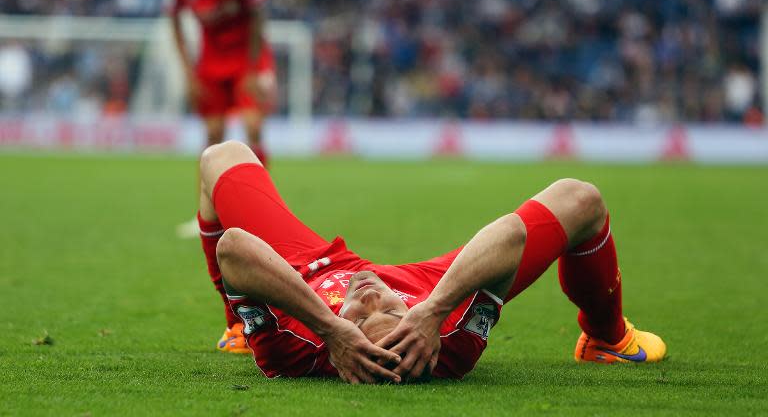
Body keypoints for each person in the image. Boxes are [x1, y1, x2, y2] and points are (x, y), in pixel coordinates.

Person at [198, 141, 667, 382]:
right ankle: (609, 339)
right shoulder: (451, 338)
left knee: (221, 157)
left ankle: (240, 323)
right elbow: (510, 233)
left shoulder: (295, 346)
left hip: (308, 272)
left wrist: (329, 326)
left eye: (361, 318)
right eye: (392, 311)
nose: (373, 297)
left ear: (343, 351)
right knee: (582, 200)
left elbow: (234, 247)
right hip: (435, 285)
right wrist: (431, 308)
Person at [163, 0, 277, 238]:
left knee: (253, 127)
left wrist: (254, 69)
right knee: (213, 137)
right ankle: (208, 219)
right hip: (211, 62)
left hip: (246, 56)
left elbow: (257, 14)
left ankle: (263, 214)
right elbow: (173, 22)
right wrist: (189, 74)